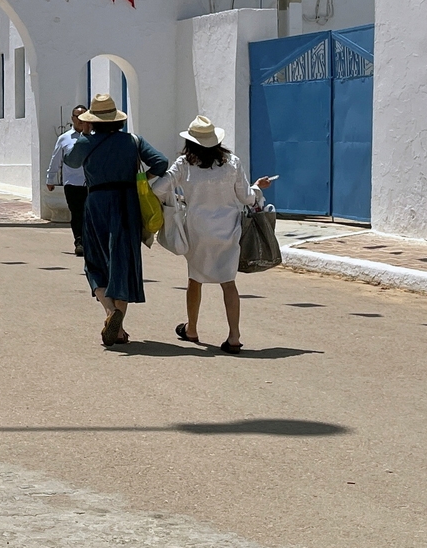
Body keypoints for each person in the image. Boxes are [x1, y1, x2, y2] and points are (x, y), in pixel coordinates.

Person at [150, 115, 273, 354]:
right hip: (229, 230)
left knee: (194, 279)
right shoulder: (232, 163)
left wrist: (177, 202)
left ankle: (192, 329)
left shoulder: (183, 164)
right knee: (229, 283)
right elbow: (247, 198)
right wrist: (258, 188)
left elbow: (158, 189)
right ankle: (234, 336)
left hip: (197, 230)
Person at [64, 94, 169, 346]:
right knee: (123, 260)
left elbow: (71, 161)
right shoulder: (133, 141)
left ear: (92, 121)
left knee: (94, 261)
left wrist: (85, 135)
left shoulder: (86, 142)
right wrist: (141, 179)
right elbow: (161, 162)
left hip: (97, 202)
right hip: (127, 201)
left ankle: (111, 312)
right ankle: (119, 328)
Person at [46, 105, 90, 256]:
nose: (80, 119)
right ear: (72, 118)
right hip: (73, 183)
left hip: (92, 183)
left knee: (90, 214)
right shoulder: (64, 138)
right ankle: (79, 242)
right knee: (77, 213)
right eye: (77, 116)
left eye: (84, 116)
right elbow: (56, 159)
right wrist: (50, 178)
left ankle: (91, 242)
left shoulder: (94, 137)